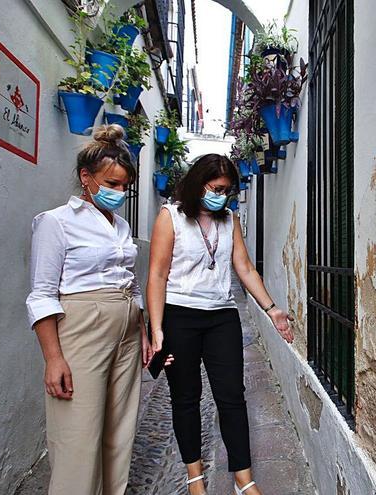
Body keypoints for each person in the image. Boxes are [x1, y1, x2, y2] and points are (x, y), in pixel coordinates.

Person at [25, 125, 163, 494]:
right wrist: (54, 358)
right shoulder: (56, 222)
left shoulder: (120, 226)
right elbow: (41, 294)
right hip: (82, 326)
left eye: (124, 186)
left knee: (119, 430)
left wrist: (144, 330)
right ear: (86, 177)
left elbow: (130, 282)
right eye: (111, 183)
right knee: (78, 434)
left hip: (127, 330)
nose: (119, 192)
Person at [146, 154, 294, 495]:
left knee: (232, 397)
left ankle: (244, 479)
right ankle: (195, 478)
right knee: (186, 397)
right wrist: (157, 330)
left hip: (222, 317)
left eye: (227, 191)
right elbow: (156, 274)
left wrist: (272, 309)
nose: (221, 196)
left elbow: (243, 267)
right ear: (199, 182)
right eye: (216, 188)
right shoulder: (170, 217)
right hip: (179, 315)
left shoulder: (229, 219)